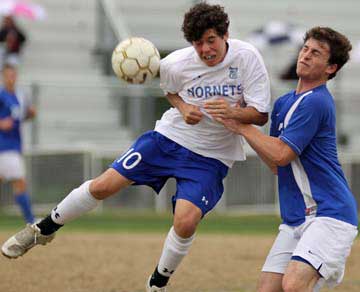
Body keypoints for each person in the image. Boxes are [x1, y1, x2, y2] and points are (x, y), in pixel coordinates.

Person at [1, 3, 271, 291]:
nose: (205, 49)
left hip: (212, 156)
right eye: (197, 43)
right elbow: (170, 90)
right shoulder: (175, 64)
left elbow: (261, 113)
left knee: (186, 220)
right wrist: (183, 108)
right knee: (104, 186)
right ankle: (42, 229)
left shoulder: (248, 58)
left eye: (210, 40)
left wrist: (232, 113)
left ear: (225, 34)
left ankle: (157, 283)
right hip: (168, 139)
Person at [207, 27, 358, 292]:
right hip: (296, 218)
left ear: (331, 68)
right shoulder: (284, 104)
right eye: (305, 49)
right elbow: (278, 164)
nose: (306, 56)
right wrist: (241, 128)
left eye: (316, 53)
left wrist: (242, 126)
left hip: (330, 213)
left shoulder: (317, 102)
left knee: (293, 285)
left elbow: (281, 153)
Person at [0, 63, 36, 224]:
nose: (11, 79)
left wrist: (29, 114)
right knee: (20, 182)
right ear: (3, 77)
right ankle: (31, 221)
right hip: (5, 146)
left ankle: (31, 220)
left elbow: (19, 118)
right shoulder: (1, 96)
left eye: (13, 75)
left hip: (15, 145)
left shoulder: (20, 97)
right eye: (8, 76)